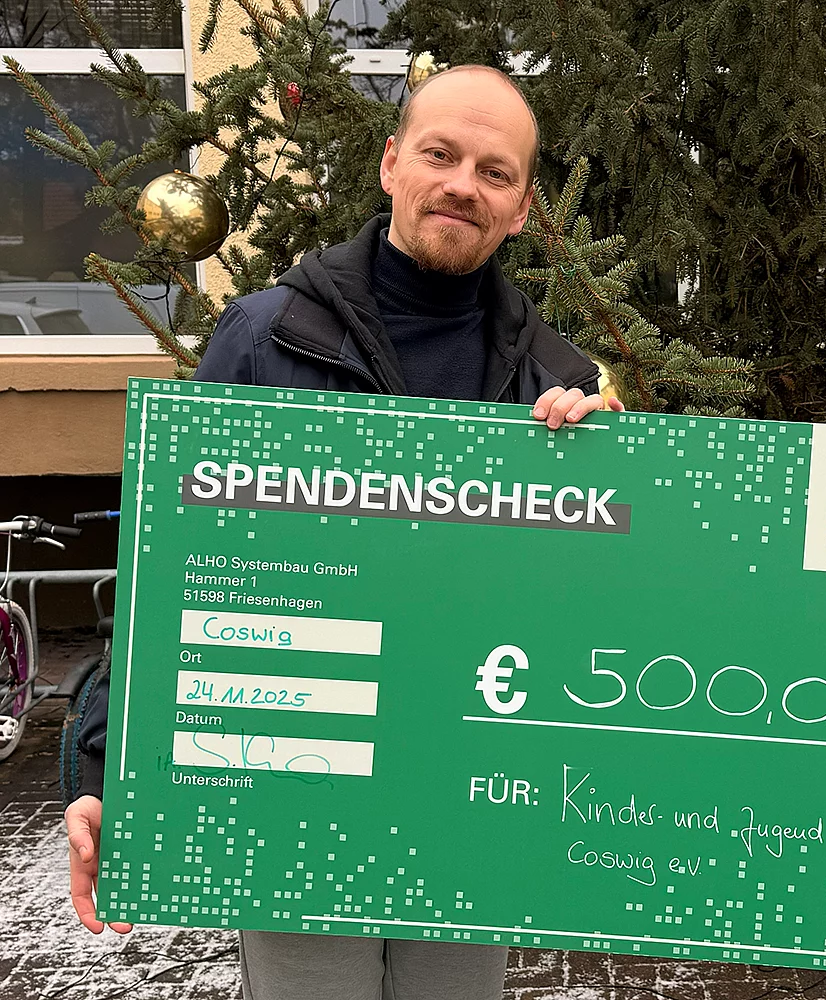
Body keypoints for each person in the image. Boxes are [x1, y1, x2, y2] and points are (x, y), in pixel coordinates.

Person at [64, 65, 620, 1000]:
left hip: (471, 804)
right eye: (440, 155)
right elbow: (172, 573)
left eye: (494, 172)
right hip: (295, 787)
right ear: (392, 163)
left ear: (523, 208)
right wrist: (102, 766)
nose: (463, 185)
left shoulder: (556, 383)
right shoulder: (264, 337)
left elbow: (595, 615)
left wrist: (602, 474)